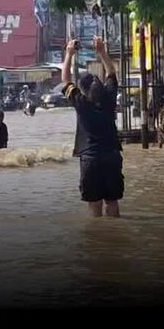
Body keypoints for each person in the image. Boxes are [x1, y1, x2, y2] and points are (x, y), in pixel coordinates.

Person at [62, 36, 123, 217]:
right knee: (112, 202)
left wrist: (69, 54)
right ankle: (115, 236)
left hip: (90, 159)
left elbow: (65, 80)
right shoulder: (109, 98)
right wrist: (102, 52)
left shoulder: (81, 103)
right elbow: (111, 72)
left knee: (94, 205)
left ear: (84, 90)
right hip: (112, 157)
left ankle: (97, 240)